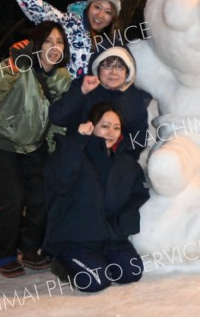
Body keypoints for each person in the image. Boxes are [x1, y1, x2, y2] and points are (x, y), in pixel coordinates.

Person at [0, 22, 72, 278]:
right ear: (37, 45)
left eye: (59, 42)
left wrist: (56, 146)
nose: (54, 47)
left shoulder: (63, 78)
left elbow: (60, 117)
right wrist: (13, 65)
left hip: (34, 144)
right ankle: (5, 253)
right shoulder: (21, 65)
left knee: (41, 197)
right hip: (2, 140)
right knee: (13, 200)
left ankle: (29, 248)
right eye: (48, 41)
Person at [43, 102, 150, 292]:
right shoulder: (74, 153)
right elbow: (58, 180)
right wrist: (77, 140)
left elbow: (137, 196)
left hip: (110, 238)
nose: (111, 132)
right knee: (95, 281)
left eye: (116, 128)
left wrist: (122, 225)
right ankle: (62, 262)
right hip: (76, 239)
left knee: (131, 273)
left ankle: (101, 260)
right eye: (105, 126)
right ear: (91, 126)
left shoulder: (125, 162)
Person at [0, 0, 121, 78]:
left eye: (108, 12)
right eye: (97, 7)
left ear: (112, 18)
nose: (100, 15)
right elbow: (36, 6)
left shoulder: (111, 43)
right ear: (88, 6)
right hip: (57, 95)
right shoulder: (66, 23)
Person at [49, 45, 148, 159]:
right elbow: (56, 117)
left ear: (127, 71)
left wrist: (117, 155)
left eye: (120, 67)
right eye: (107, 66)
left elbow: (139, 139)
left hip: (114, 163)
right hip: (78, 158)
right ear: (97, 67)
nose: (114, 72)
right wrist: (81, 92)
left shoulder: (134, 98)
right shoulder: (85, 85)